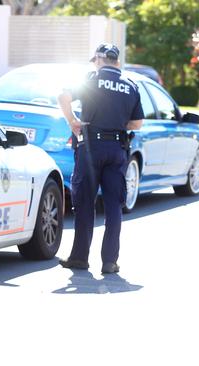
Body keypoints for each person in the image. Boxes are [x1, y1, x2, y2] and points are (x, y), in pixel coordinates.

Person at [58, 43, 144, 274]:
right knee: (114, 206)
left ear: (99, 59)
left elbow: (63, 96)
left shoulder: (91, 80)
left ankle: (79, 257)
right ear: (116, 60)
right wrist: (115, 125)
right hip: (117, 149)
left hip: (90, 149)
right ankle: (109, 262)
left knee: (85, 203)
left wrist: (72, 121)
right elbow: (137, 123)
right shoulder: (131, 86)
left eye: (94, 60)